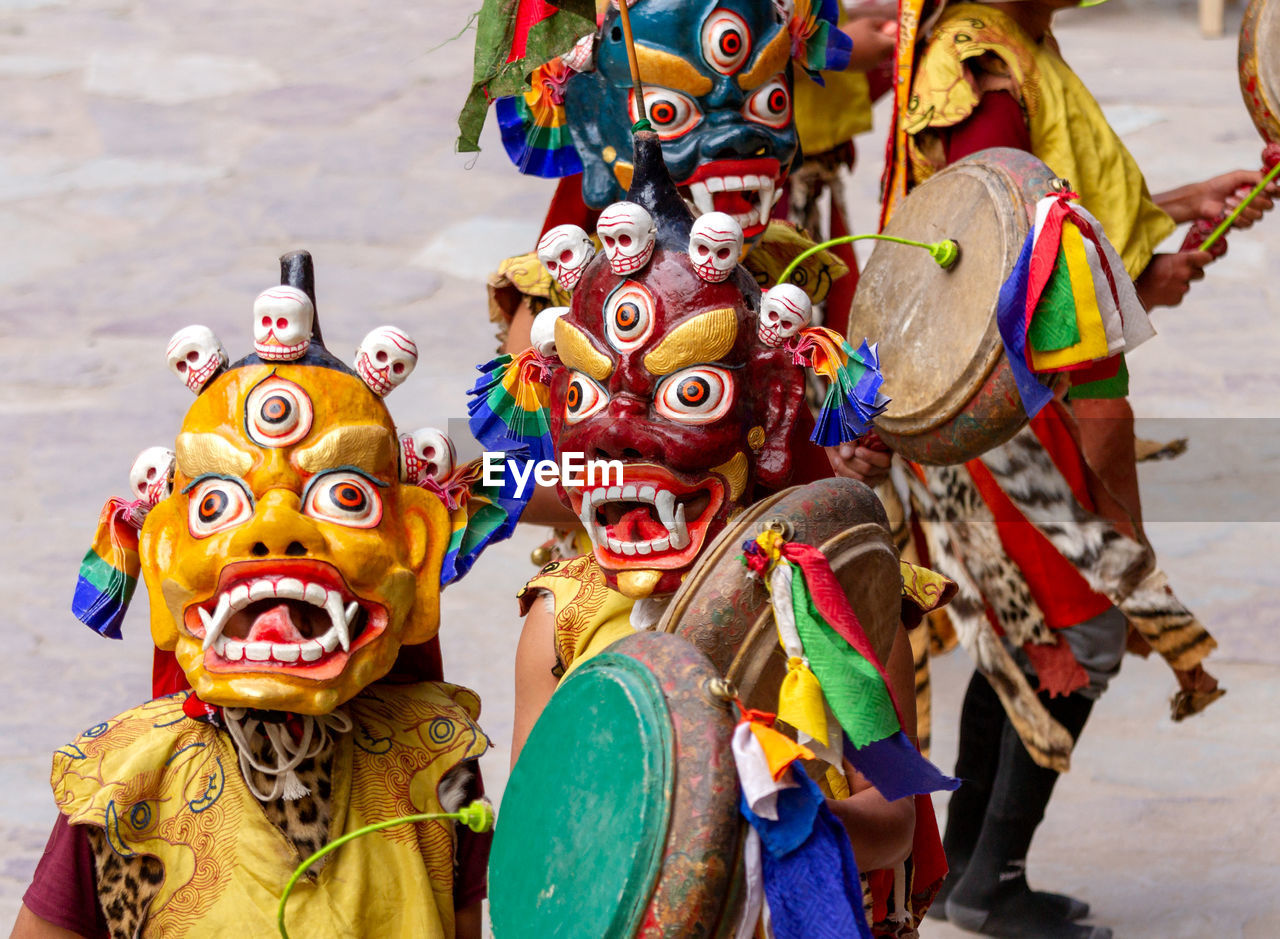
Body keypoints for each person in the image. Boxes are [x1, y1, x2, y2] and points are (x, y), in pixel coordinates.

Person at [858, 1, 1277, 936]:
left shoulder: (999, 44)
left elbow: (1052, 212)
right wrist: (1123, 522)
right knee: (1080, 636)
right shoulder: (983, 81)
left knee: (1025, 637)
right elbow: (1011, 275)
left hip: (997, 398)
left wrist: (1167, 214)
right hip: (1004, 414)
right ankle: (989, 881)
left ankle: (968, 865)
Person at [481, 126, 958, 936]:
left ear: (767, 412)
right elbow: (534, 859)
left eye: (686, 394)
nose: (621, 438)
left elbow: (898, 823)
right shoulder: (559, 619)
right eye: (588, 401)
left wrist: (785, 822)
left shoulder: (821, 590)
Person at [14, 258, 503, 939]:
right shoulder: (123, 785)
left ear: (414, 552)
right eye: (219, 503)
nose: (275, 531)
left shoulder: (436, 759)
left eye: (345, 497)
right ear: (159, 559)